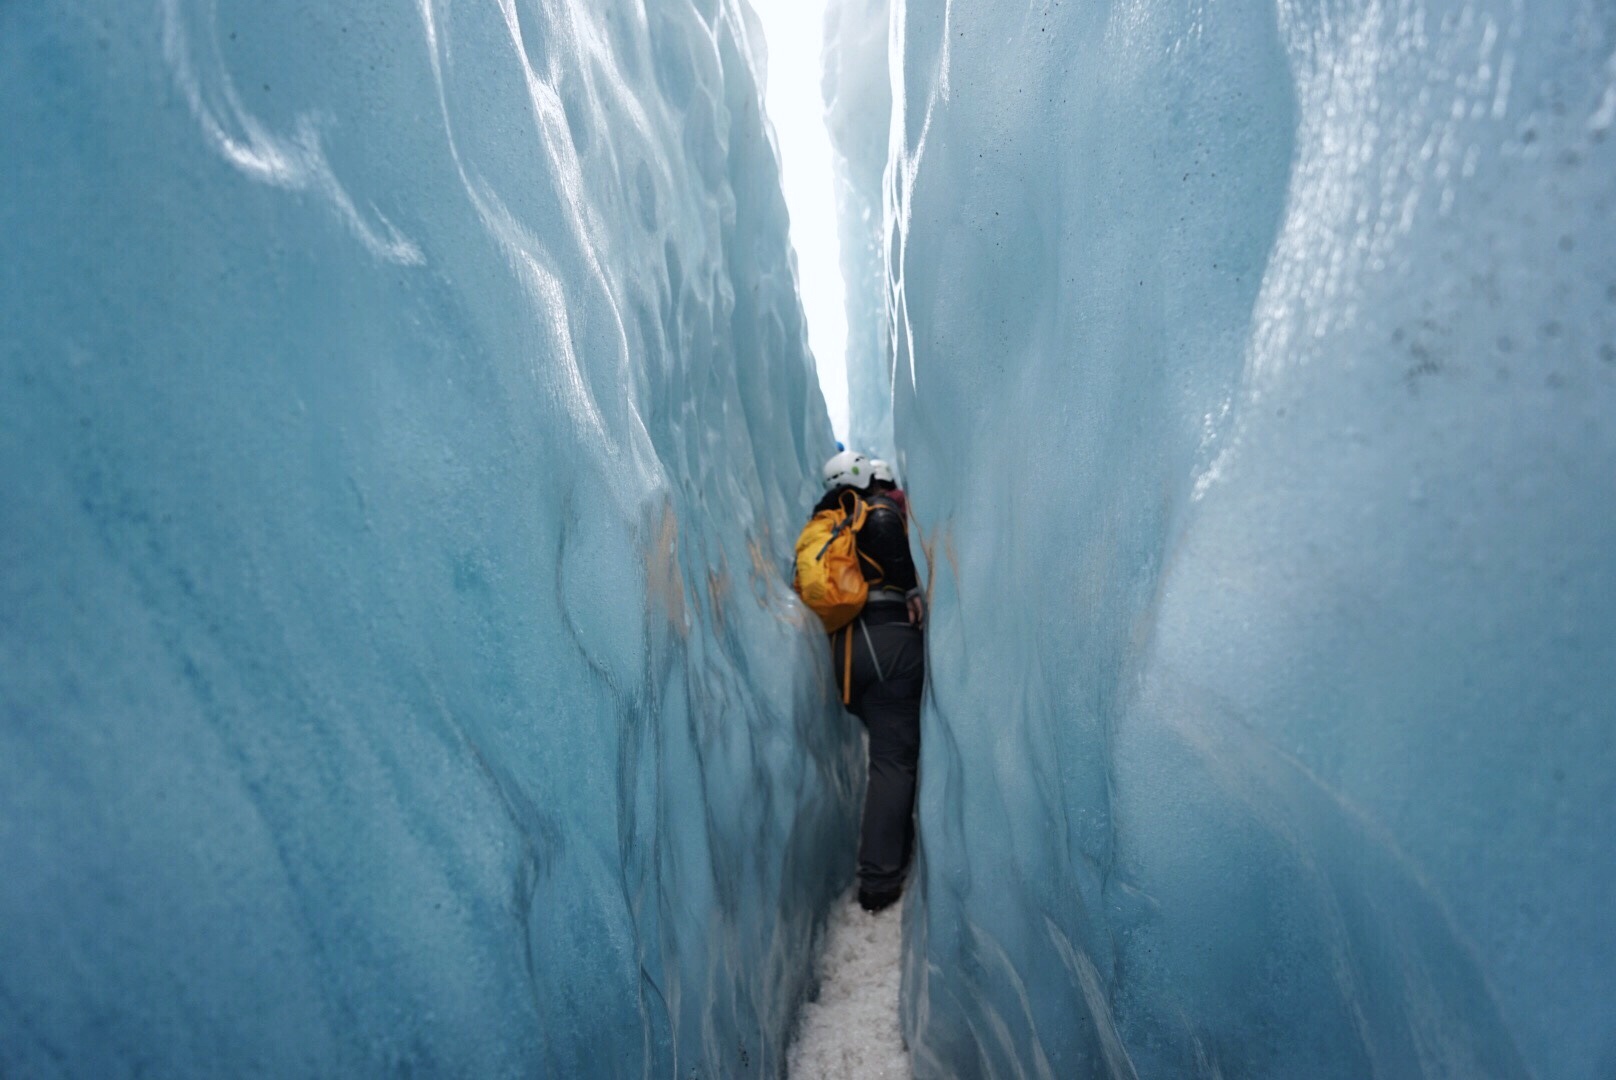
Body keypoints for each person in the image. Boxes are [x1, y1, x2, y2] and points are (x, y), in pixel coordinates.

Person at [812, 450, 925, 912]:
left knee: (892, 756)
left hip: (848, 654)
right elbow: (885, 530)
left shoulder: (827, 523)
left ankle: (896, 852)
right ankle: (878, 883)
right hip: (886, 644)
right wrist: (912, 587)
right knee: (893, 763)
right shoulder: (873, 512)